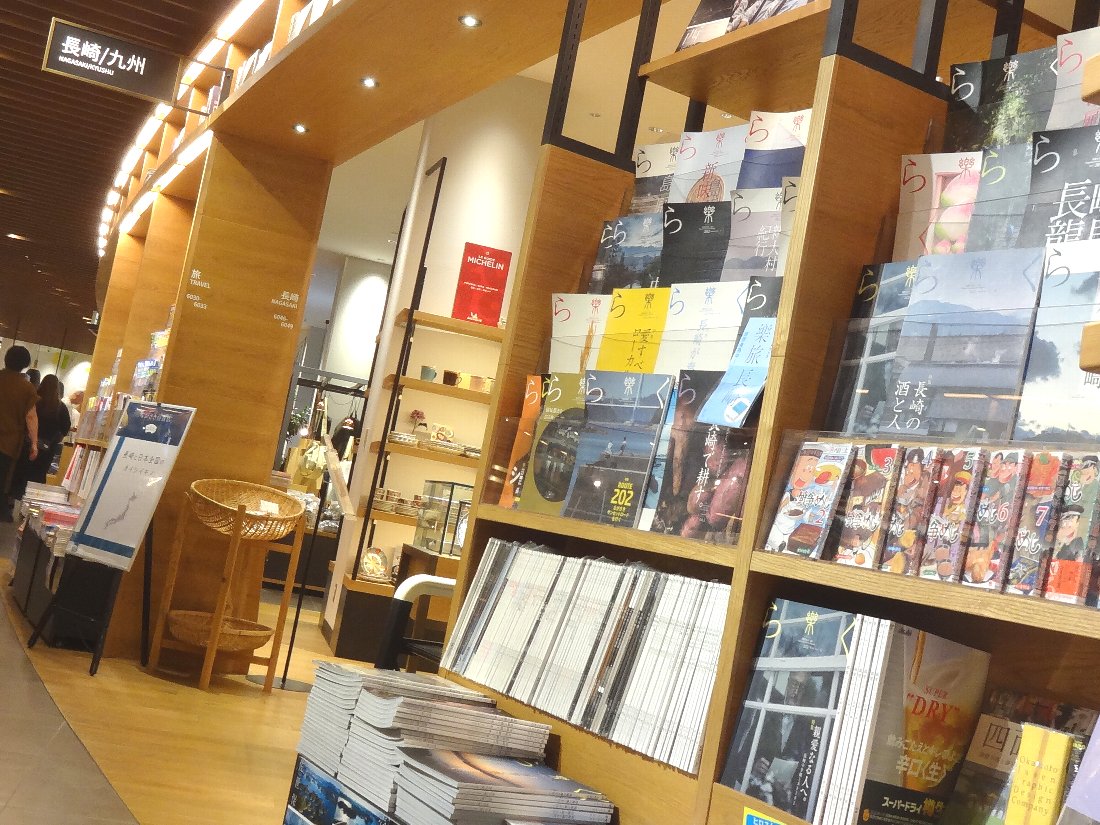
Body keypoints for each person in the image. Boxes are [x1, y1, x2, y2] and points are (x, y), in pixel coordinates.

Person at [10, 374, 71, 501]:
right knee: (39, 476)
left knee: (22, 473)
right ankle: (33, 502)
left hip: (27, 444)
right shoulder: (60, 407)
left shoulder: (34, 402)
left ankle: (15, 502)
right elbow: (66, 428)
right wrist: (54, 439)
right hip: (47, 449)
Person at [0, 346, 39, 521]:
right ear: (25, 364)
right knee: (2, 477)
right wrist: (34, 443)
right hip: (8, 442)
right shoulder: (26, 388)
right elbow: (31, 417)